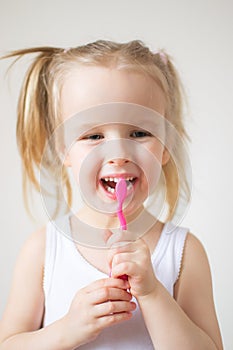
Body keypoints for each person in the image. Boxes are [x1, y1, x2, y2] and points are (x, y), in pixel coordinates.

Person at [0, 40, 223, 349]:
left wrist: (153, 293)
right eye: (94, 136)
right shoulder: (43, 249)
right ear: (64, 149)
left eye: (139, 133)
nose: (118, 153)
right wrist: (68, 328)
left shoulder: (184, 252)